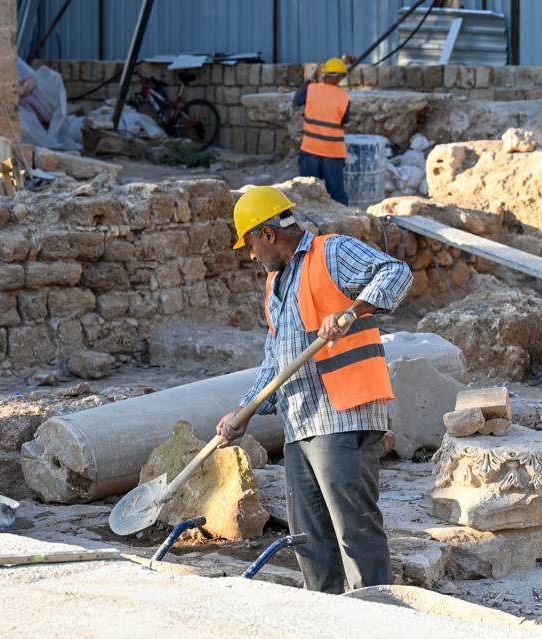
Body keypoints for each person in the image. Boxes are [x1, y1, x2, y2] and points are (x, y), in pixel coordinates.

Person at [216, 186, 412, 594]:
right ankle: (322, 619)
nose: (251, 255)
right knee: (309, 539)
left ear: (268, 234)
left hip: (343, 414)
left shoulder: (332, 252)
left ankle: (376, 615)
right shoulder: (274, 287)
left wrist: (351, 312)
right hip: (299, 423)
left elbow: (396, 273)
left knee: (354, 530)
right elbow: (276, 362)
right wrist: (243, 412)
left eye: (250, 243)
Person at [294, 57, 351, 204]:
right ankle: (344, 222)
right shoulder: (344, 97)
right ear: (340, 77)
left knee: (307, 193)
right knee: (337, 195)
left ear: (324, 74)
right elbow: (345, 120)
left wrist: (307, 81)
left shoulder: (310, 89)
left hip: (310, 150)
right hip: (333, 152)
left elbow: (297, 101)